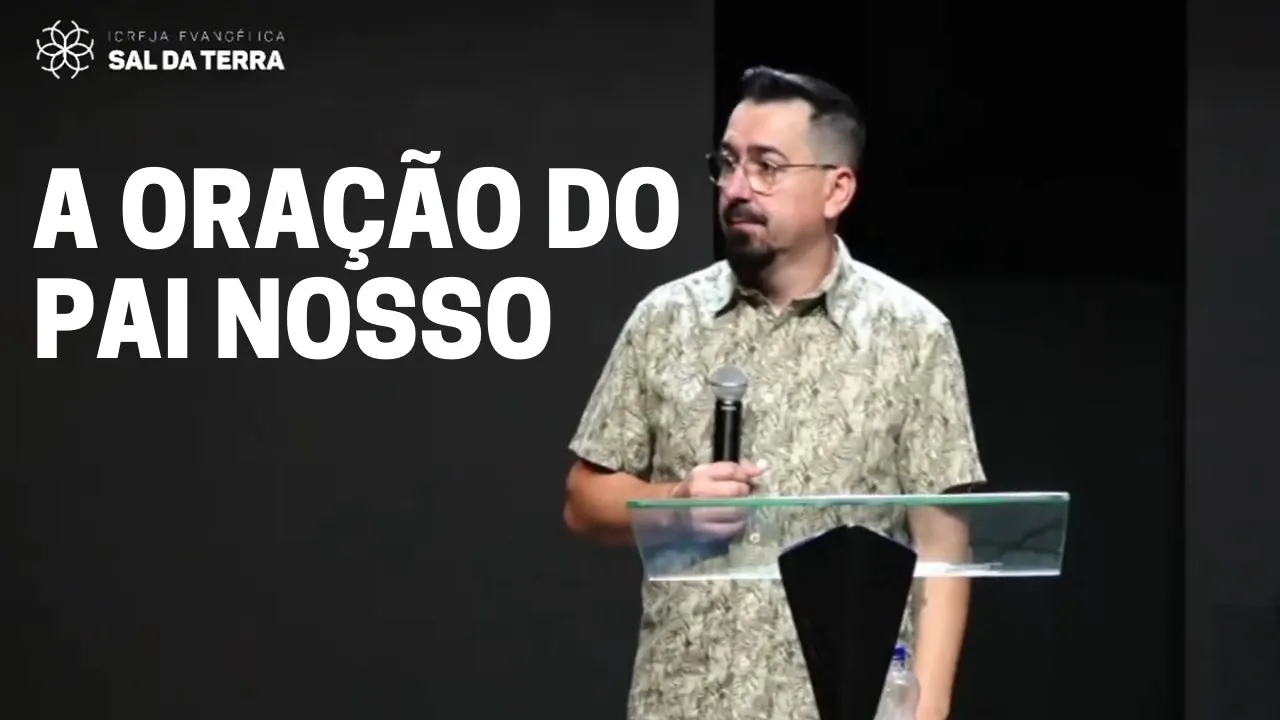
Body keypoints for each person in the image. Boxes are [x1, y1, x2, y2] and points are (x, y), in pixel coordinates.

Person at [562, 66, 985, 720]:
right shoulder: (665, 320)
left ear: (836, 189)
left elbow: (942, 550)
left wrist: (924, 714)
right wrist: (676, 503)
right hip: (685, 703)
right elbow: (584, 502)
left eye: (767, 167)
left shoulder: (912, 335)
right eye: (728, 164)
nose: (737, 188)